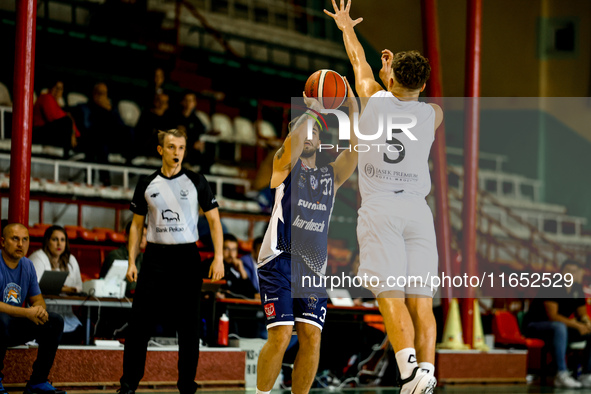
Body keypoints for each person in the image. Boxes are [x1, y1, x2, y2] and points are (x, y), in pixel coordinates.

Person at [325, 2, 443, 393]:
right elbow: (407, 97)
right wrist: (395, 78)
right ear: (423, 85)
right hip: (417, 211)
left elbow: (357, 60)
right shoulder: (432, 115)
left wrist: (347, 27)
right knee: (421, 302)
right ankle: (425, 375)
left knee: (390, 296)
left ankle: (409, 374)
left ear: (390, 79)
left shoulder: (373, 97)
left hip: (381, 210)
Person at [255, 82, 358, 394]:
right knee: (282, 335)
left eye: (315, 131)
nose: (309, 135)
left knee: (312, 337)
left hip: (312, 268)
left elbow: (355, 149)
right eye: (304, 131)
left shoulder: (331, 176)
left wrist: (353, 108)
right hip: (279, 260)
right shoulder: (284, 167)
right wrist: (312, 109)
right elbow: (294, 140)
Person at [118, 128, 224, 394]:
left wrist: (219, 257)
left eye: (181, 148)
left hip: (187, 258)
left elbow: (214, 222)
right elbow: (136, 226)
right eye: (171, 147)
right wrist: (132, 260)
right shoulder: (147, 183)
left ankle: (187, 385)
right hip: (154, 258)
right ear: (160, 150)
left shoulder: (197, 181)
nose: (177, 152)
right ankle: (128, 385)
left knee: (189, 328)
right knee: (139, 325)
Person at [0, 223, 65, 394]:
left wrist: (39, 310)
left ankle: (37, 382)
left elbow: (38, 300)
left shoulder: (27, 265)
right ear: (3, 242)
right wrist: (27, 312)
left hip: (13, 325)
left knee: (55, 321)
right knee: (1, 319)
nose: (21, 244)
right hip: (0, 324)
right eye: (15, 239)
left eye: (25, 240)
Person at [524, 259, 591, 388]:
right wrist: (578, 326)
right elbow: (553, 316)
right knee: (559, 327)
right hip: (536, 326)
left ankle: (587, 375)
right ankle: (561, 374)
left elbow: (581, 314)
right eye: (568, 271)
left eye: (575, 271)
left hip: (561, 329)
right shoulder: (551, 285)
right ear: (561, 272)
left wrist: (587, 323)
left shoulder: (577, 288)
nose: (571, 274)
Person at [29, 226, 84, 344]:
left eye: (63, 240)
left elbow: (79, 287)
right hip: (43, 315)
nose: (59, 243)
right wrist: (67, 289)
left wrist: (59, 288)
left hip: (68, 317)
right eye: (55, 239)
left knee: (82, 333)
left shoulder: (71, 259)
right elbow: (36, 287)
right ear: (47, 241)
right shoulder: (38, 257)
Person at [32, 79, 79, 158]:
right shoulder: (45, 97)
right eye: (56, 88)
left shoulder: (58, 105)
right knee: (66, 121)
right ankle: (67, 154)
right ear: (50, 88)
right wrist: (72, 133)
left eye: (60, 89)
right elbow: (52, 118)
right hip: (39, 133)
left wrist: (73, 134)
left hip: (53, 134)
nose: (58, 91)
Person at [99, 222, 147, 297]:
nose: (142, 238)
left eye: (144, 235)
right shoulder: (115, 255)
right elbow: (125, 286)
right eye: (138, 233)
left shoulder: (145, 258)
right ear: (126, 236)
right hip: (114, 302)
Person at [174, 92, 207, 171]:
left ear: (194, 103)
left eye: (191, 101)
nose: (188, 103)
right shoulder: (174, 118)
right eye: (186, 100)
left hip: (191, 154)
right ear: (182, 102)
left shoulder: (197, 121)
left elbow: (200, 137)